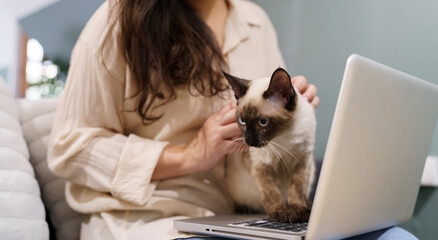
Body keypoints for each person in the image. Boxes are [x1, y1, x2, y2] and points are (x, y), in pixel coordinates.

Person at [47, 0, 416, 239]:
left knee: (397, 238)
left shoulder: (255, 20)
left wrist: (292, 108)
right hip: (155, 220)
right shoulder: (116, 22)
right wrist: (191, 155)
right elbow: (69, 148)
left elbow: (269, 129)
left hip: (245, 217)